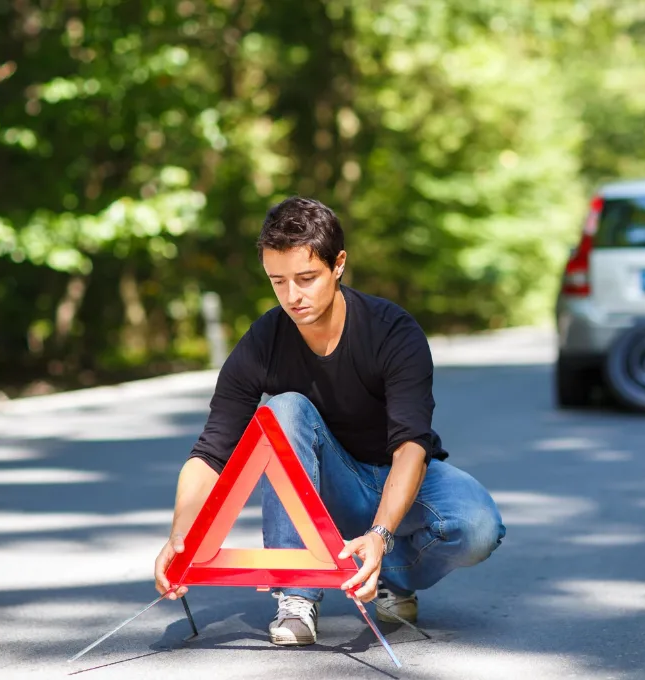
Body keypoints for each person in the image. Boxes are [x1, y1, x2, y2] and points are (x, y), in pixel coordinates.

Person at [154, 197, 506, 646]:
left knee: (478, 527)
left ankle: (388, 577)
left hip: (401, 479)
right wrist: (181, 536)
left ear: (338, 265)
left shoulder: (392, 331)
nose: (292, 296)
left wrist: (379, 534)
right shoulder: (264, 341)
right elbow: (211, 452)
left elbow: (412, 446)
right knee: (282, 409)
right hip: (323, 491)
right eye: (277, 281)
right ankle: (297, 594)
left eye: (306, 278)